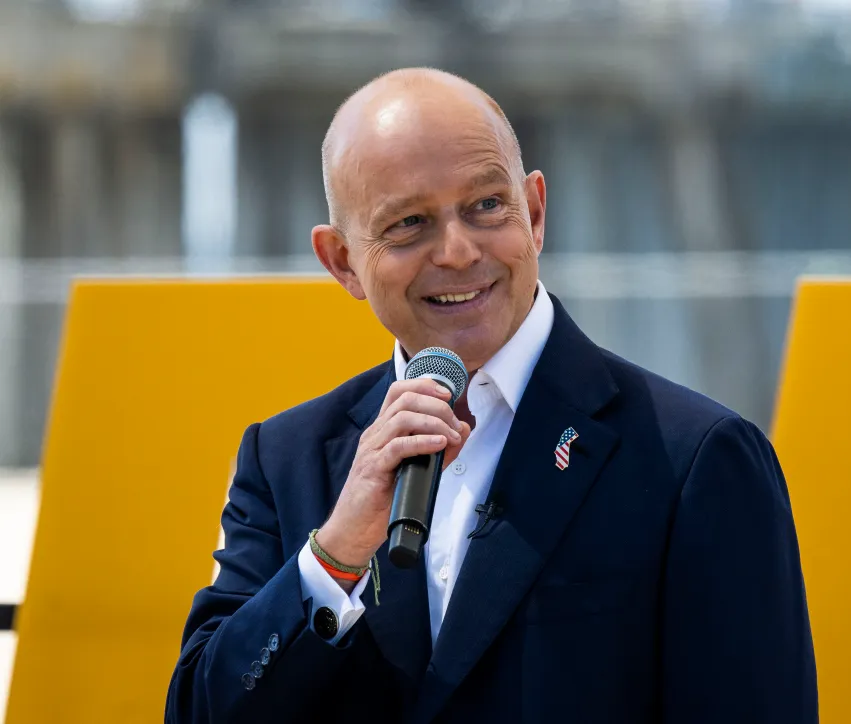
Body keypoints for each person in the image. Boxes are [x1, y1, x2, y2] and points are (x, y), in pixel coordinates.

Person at [166, 68, 817, 724]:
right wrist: (335, 556)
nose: (457, 251)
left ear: (534, 213)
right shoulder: (286, 460)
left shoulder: (695, 459)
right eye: (410, 223)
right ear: (341, 261)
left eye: (486, 206)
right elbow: (200, 711)